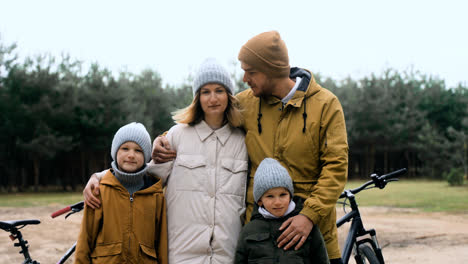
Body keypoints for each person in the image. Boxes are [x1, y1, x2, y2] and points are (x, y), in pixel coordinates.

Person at [153, 31, 349, 264]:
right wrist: (164, 138)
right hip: (259, 245)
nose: (244, 78)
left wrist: (309, 216)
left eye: (251, 71)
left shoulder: (326, 105)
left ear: (271, 70)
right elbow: (206, 118)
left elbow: (336, 168)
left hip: (311, 242)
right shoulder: (246, 102)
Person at [83, 58, 248, 264]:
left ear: (229, 95)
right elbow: (146, 175)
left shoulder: (242, 141)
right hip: (181, 254)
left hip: (227, 255)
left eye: (219, 90)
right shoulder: (177, 135)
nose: (212, 98)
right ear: (197, 97)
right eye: (205, 92)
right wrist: (100, 177)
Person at [74, 122, 168, 264]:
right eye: (125, 148)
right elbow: (85, 239)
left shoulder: (155, 194)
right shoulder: (100, 190)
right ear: (115, 152)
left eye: (138, 151)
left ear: (147, 157)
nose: (131, 155)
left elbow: (161, 242)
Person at [234, 158, 329, 264]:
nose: (278, 202)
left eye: (283, 195)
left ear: (290, 196)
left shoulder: (306, 227)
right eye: (270, 196)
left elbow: (321, 259)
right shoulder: (249, 230)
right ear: (260, 201)